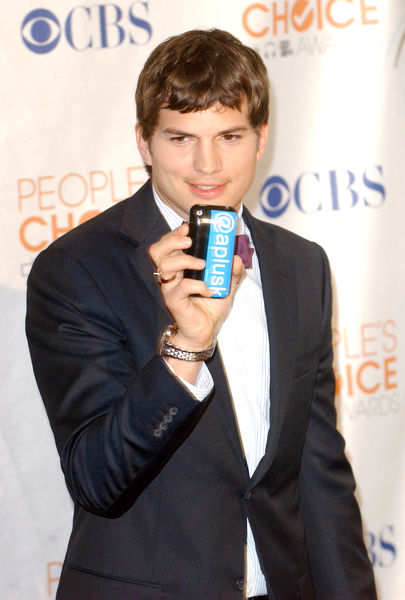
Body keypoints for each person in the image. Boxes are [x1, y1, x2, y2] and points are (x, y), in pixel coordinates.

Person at [26, 29, 377, 600]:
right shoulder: (77, 271)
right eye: (181, 137)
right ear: (144, 142)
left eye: (229, 135)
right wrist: (186, 347)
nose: (207, 164)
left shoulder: (301, 265)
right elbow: (97, 479)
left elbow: (319, 476)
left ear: (261, 138)